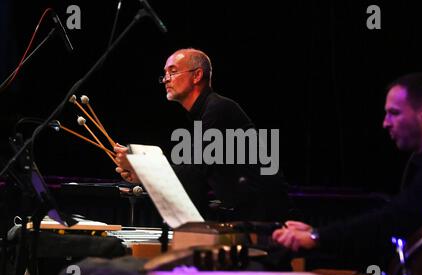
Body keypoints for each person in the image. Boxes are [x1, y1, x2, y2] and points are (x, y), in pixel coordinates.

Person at [272, 73, 422, 269]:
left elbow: (392, 221)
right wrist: (317, 232)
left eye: (394, 113)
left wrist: (318, 236)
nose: (386, 123)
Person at [114, 48, 290, 222]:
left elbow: (194, 173)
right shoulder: (206, 113)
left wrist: (142, 166)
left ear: (197, 75)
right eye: (165, 74)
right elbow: (195, 176)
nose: (166, 79)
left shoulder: (219, 110)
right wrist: (141, 174)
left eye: (173, 72)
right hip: (252, 216)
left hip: (270, 223)